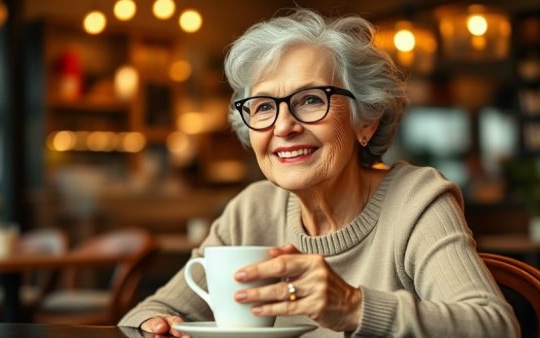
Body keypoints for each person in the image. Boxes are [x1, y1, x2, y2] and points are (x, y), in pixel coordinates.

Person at [119, 9, 519, 337]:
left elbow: (494, 326)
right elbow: (145, 315)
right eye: (262, 107)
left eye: (311, 100)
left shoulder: (415, 200)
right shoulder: (252, 210)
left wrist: (351, 305)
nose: (283, 126)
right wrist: (157, 327)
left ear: (367, 121)